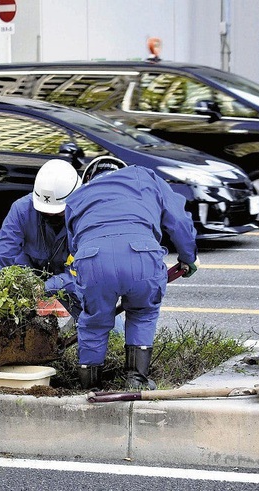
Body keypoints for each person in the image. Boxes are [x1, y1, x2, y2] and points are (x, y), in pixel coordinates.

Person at [64, 156, 199, 390]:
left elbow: (74, 246)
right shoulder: (144, 176)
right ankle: (136, 379)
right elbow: (178, 220)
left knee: (94, 321)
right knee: (142, 312)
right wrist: (188, 257)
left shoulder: (76, 197)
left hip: (91, 259)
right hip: (141, 254)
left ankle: (89, 386)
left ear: (88, 178)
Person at [0, 159, 81, 317]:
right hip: (30, 272)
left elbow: (80, 274)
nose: (50, 215)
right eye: (45, 212)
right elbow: (1, 254)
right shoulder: (22, 209)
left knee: (102, 323)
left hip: (70, 279)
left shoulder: (84, 217)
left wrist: (43, 288)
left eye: (57, 213)